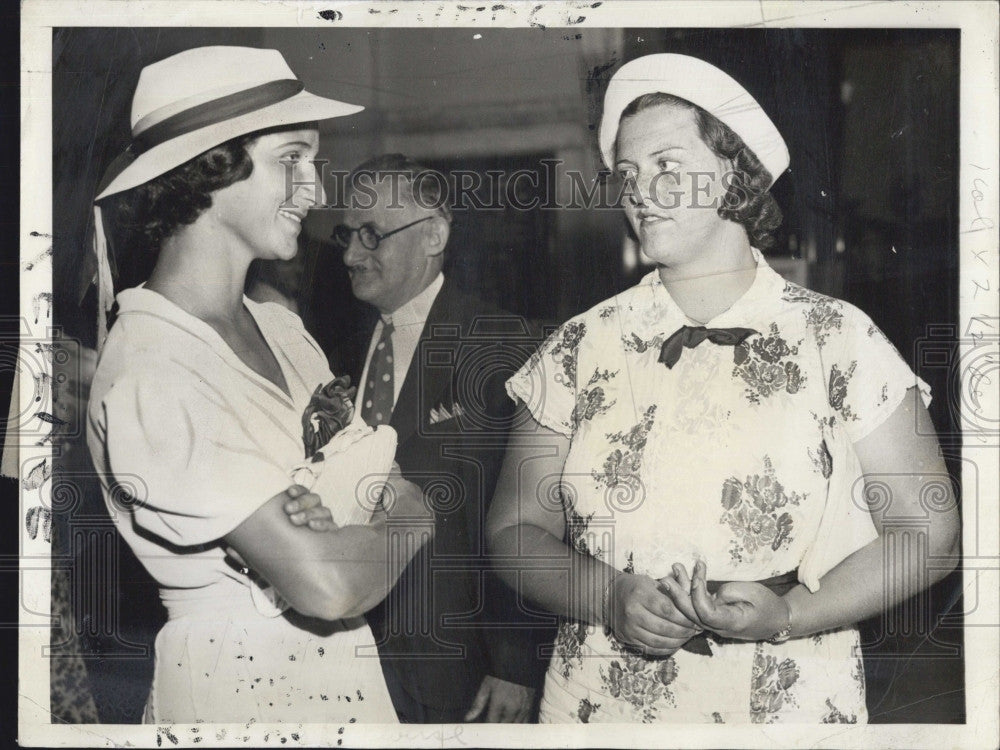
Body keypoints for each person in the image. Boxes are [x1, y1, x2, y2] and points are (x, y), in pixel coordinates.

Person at [487, 53, 960, 724]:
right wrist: (607, 597)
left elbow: (930, 534)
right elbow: (513, 528)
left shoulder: (840, 339)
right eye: (627, 173)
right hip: (600, 705)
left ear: (734, 173)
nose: (640, 191)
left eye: (667, 167)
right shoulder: (576, 347)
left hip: (786, 700)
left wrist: (793, 613)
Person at [86, 46, 432, 724]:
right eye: (291, 159)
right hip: (239, 690)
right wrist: (415, 519)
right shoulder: (153, 368)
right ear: (209, 167)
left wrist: (361, 522)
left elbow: (377, 483)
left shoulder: (283, 331)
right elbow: (329, 585)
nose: (314, 189)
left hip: (346, 679)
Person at [329, 154, 553, 722]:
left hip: (460, 670)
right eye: (346, 235)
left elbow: (530, 516)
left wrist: (514, 662)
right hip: (346, 659)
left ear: (433, 234)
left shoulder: (500, 345)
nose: (352, 255)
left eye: (372, 235)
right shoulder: (331, 342)